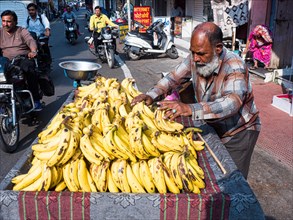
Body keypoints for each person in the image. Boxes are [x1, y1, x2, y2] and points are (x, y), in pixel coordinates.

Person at [131, 22, 261, 179]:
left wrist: (190, 109)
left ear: (218, 48)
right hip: (212, 124)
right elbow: (174, 78)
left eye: (200, 54)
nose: (195, 59)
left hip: (238, 132)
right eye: (192, 53)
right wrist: (152, 95)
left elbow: (232, 102)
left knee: (232, 180)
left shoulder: (234, 66)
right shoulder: (196, 56)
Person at [0, 10, 42, 111]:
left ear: (15, 22)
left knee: (30, 71)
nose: (6, 24)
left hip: (22, 59)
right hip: (5, 61)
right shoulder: (0, 32)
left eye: (9, 21)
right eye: (3, 21)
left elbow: (30, 40)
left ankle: (36, 100)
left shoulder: (22, 31)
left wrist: (33, 51)